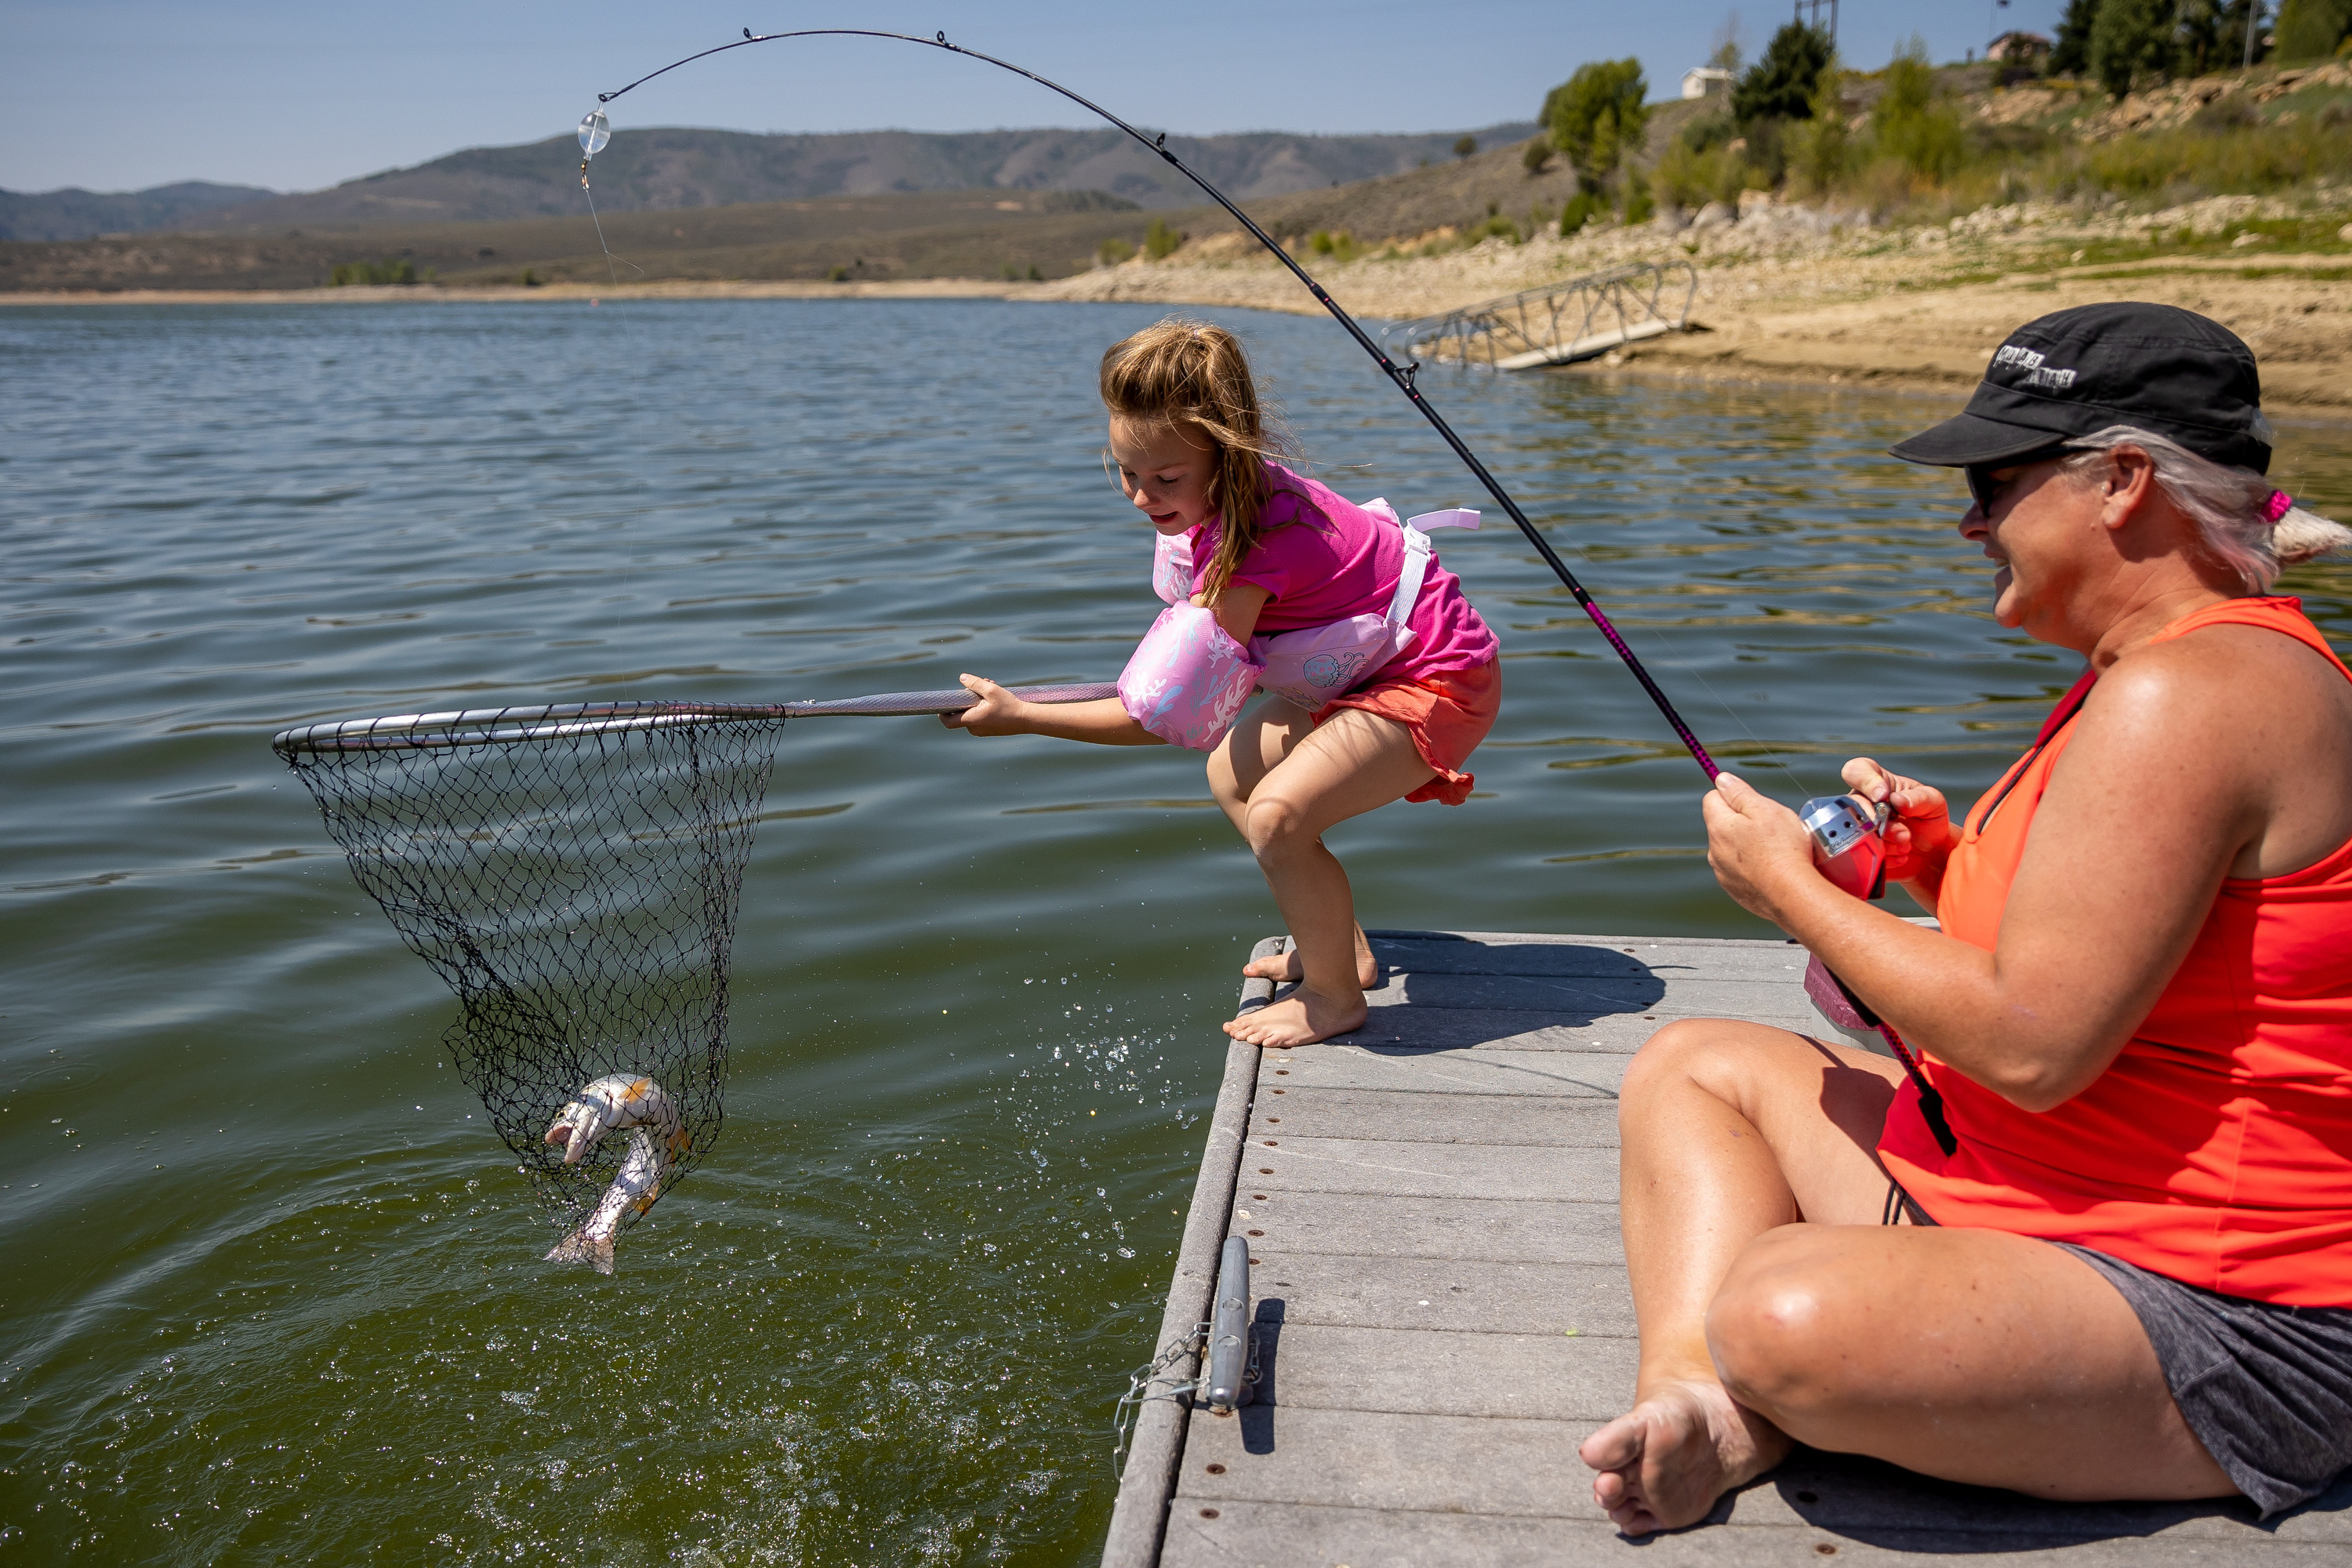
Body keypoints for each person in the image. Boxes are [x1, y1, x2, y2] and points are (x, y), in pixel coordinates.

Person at [1581, 303, 2352, 1535]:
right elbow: (2118, 943)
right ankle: (1699, 1403)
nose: (1970, 522)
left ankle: (1758, 1384)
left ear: (2124, 481)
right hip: (2047, 1192)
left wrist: (1786, 888)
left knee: (1783, 1312)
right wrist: (1939, 866)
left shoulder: (2190, 694)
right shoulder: (2162, 667)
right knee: (1694, 1066)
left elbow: (2036, 1046)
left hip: (2237, 1311)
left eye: (1995, 485)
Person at [943, 318, 1501, 1047]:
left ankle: (1332, 999)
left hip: (1436, 677)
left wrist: (1021, 716)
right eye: (1126, 472)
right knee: (1233, 773)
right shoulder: (1223, 507)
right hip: (1369, 670)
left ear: (1228, 456)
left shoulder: (1256, 552)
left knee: (1278, 816)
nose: (1142, 497)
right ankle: (1346, 952)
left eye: (1166, 479)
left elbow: (1162, 720)